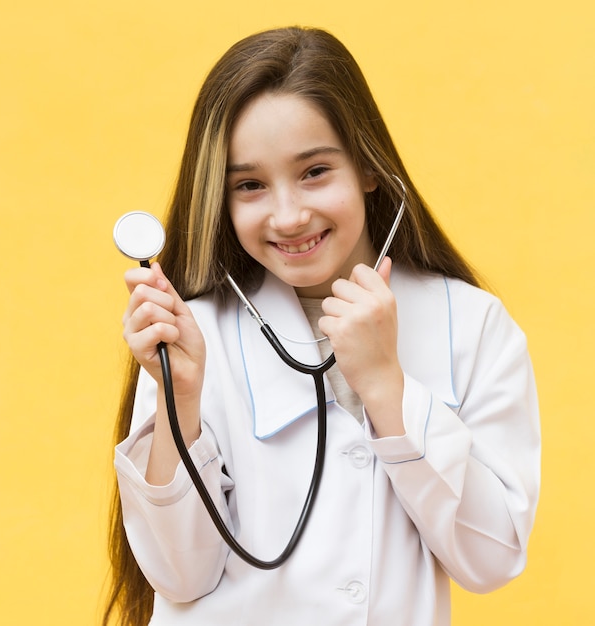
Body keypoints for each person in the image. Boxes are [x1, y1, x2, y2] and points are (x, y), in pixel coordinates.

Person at [103, 26, 540, 626]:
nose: (288, 215)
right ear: (220, 199)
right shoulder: (191, 334)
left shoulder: (471, 324)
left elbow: (492, 558)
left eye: (314, 172)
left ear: (367, 166)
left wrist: (388, 385)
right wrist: (181, 400)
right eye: (250, 185)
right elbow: (179, 576)